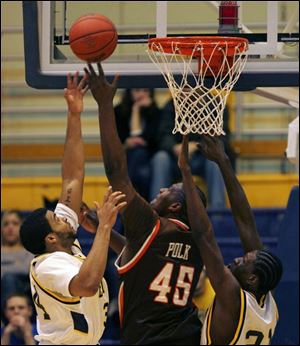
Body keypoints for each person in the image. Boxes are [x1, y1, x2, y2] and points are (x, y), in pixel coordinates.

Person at [85, 62, 204, 345]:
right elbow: (144, 252)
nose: (162, 188)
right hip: (185, 336)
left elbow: (117, 173)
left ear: (175, 207)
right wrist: (104, 230)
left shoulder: (153, 226)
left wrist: (104, 105)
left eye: (170, 190)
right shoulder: (198, 242)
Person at [19, 72, 127, 345]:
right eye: (56, 219)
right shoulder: (49, 265)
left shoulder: (63, 244)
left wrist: (75, 114)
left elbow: (72, 177)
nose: (62, 216)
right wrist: (104, 227)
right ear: (50, 238)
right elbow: (87, 285)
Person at [178, 135, 283, 345]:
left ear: (252, 279)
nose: (237, 259)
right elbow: (245, 221)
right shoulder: (266, 301)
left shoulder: (232, 296)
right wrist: (223, 162)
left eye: (243, 262)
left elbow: (204, 237)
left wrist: (186, 174)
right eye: (243, 257)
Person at [152, 98, 236, 207]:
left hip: (203, 156)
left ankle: (218, 213)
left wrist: (197, 145)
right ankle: (156, 211)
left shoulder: (217, 104)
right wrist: (174, 147)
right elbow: (163, 136)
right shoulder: (170, 106)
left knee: (216, 161)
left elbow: (222, 138)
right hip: (176, 158)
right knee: (160, 158)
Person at [114, 88, 163, 200]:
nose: (141, 94)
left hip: (149, 158)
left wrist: (136, 109)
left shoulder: (156, 112)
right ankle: (143, 204)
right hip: (125, 157)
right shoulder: (118, 111)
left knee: (141, 159)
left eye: (145, 90)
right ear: (129, 92)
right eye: (136, 90)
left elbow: (148, 140)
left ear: (150, 93)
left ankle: (130, 199)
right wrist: (127, 144)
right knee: (139, 160)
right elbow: (116, 141)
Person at [1, 210, 34, 314]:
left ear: (21, 227)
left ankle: (12, 320)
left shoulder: (29, 250)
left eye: (15, 223)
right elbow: (20, 267)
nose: (10, 228)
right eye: (6, 224)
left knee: (9, 279)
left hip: (23, 293)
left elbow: (25, 269)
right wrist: (15, 264)